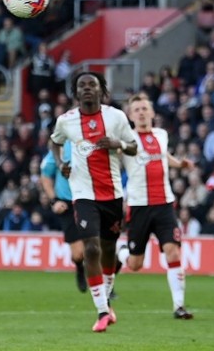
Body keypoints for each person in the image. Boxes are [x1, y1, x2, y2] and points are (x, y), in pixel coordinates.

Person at [49, 72, 137, 333]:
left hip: (112, 194)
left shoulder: (116, 117)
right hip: (83, 194)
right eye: (82, 86)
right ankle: (100, 310)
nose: (87, 89)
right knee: (92, 250)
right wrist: (60, 163)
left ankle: (106, 302)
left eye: (92, 85)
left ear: (102, 91)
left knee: (109, 250)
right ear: (76, 93)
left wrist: (117, 143)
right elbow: (54, 142)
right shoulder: (66, 121)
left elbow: (133, 146)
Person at [117, 94, 194, 320]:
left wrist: (179, 164)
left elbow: (163, 155)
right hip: (139, 206)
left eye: (144, 108)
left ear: (152, 113)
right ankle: (119, 252)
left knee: (173, 251)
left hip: (164, 204)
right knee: (135, 264)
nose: (141, 112)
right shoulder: (127, 138)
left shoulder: (161, 134)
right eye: (136, 109)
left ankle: (179, 306)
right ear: (130, 116)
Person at [40, 140, 87, 293]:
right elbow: (46, 175)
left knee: (96, 247)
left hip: (89, 200)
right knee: (79, 254)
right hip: (67, 204)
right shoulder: (60, 147)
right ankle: (80, 267)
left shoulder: (91, 141)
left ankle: (106, 286)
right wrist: (54, 201)